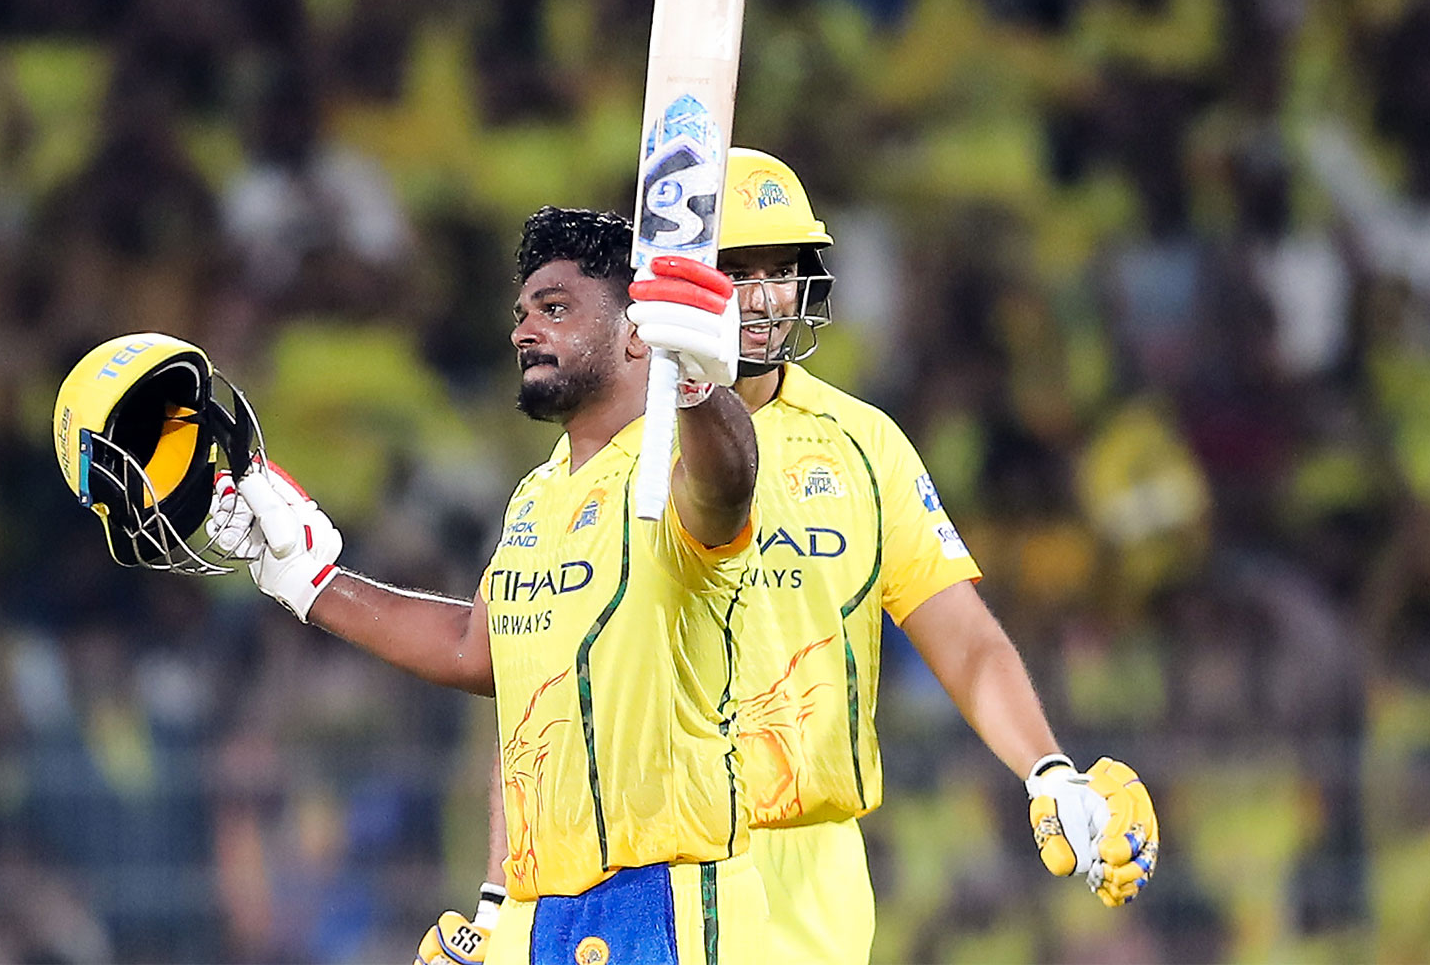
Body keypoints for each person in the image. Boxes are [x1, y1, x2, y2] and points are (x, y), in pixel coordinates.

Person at [428, 151, 1159, 965]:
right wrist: (501, 903)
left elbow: (964, 635)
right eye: (738, 270)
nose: (768, 295)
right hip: (655, 873)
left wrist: (1048, 770)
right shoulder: (606, 459)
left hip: (815, 867)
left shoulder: (863, 445)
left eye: (784, 269)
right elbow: (545, 694)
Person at [57, 207, 773, 965]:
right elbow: (486, 659)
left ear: (637, 331)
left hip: (670, 900)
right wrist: (310, 583)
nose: (524, 330)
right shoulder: (538, 495)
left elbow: (728, 487)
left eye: (555, 309)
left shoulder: (674, 464)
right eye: (522, 312)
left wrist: (695, 385)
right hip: (550, 907)